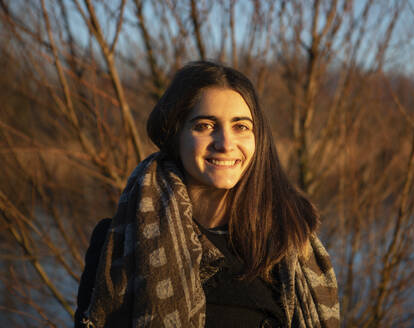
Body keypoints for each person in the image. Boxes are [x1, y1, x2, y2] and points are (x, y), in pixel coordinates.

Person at [75, 61, 339, 328]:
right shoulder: (119, 245)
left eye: (241, 127)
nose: (225, 144)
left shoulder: (287, 242)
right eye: (205, 125)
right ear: (175, 135)